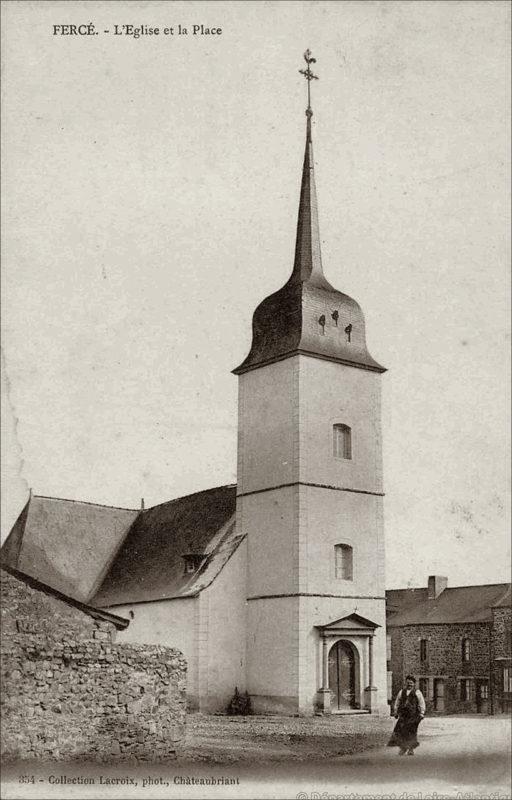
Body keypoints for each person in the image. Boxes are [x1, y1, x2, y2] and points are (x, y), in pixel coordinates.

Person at [387, 675, 426, 755]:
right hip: (403, 716)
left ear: (414, 684)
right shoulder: (401, 692)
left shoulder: (417, 692)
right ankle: (403, 748)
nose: (409, 685)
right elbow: (397, 702)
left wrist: (422, 713)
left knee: (412, 732)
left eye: (411, 683)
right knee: (401, 732)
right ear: (406, 683)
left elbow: (422, 703)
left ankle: (411, 749)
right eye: (408, 683)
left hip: (413, 716)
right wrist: (396, 712)